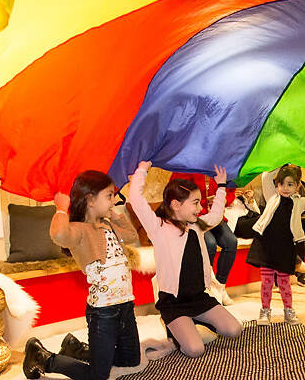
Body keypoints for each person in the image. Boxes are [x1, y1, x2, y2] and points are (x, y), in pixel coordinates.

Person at [23, 170, 140, 379]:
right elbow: (58, 234)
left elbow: (131, 235)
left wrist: (115, 214)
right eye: (109, 195)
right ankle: (44, 358)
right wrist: (60, 208)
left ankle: (76, 349)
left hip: (125, 306)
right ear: (91, 200)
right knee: (98, 376)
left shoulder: (108, 224)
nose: (113, 200)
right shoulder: (80, 230)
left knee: (131, 360)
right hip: (103, 313)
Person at [129, 161, 241, 358]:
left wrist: (222, 187)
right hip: (174, 302)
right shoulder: (159, 228)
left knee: (234, 330)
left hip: (199, 298)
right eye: (195, 203)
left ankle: (194, 321)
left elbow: (215, 216)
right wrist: (142, 171)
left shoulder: (196, 226)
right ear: (175, 204)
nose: (200, 208)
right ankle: (176, 325)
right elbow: (136, 200)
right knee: (195, 350)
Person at [246, 164, 305, 325]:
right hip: (266, 246)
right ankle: (265, 311)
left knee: (284, 282)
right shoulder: (272, 196)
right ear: (277, 185)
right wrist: (279, 161)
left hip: (286, 248)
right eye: (281, 184)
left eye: (290, 184)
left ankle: (288, 311)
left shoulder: (299, 202)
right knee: (266, 282)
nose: (285, 188)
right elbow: (266, 176)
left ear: (298, 185)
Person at [169, 173, 237, 305]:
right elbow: (176, 188)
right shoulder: (189, 166)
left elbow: (230, 190)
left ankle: (221, 287)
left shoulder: (220, 167)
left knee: (231, 242)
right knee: (210, 244)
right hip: (195, 218)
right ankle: (207, 287)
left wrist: (222, 200)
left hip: (214, 214)